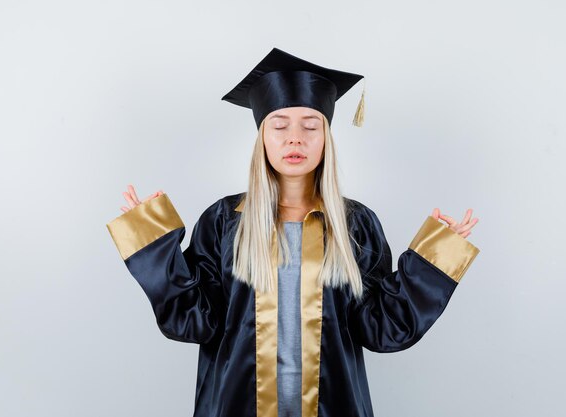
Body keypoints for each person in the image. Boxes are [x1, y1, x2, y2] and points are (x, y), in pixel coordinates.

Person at [105, 47, 480, 417]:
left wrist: (436, 259)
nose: (295, 138)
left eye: (310, 126)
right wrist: (153, 243)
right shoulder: (223, 221)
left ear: (326, 138)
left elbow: (381, 327)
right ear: (262, 138)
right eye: (280, 125)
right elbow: (194, 320)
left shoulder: (355, 225)